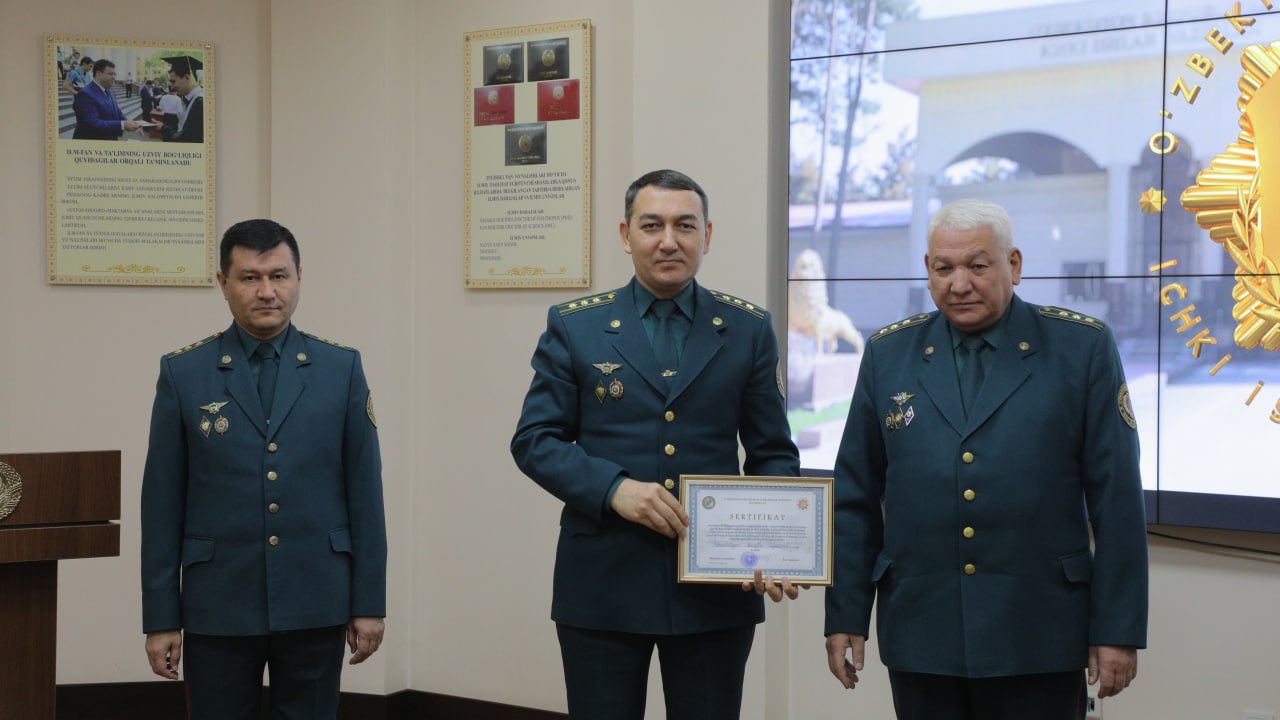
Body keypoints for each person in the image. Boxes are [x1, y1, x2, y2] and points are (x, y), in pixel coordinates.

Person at [823, 199, 1148, 719]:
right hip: (922, 632)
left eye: (977, 265)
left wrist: (1116, 629)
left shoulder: (1080, 347)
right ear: (928, 270)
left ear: (1013, 265)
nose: (959, 284)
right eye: (943, 268)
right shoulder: (889, 353)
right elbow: (855, 497)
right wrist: (846, 613)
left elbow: (1118, 499)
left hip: (1039, 631)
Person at [511, 169, 802, 720]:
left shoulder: (748, 329)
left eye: (684, 226)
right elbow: (535, 440)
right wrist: (614, 489)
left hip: (714, 591)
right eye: (652, 226)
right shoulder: (577, 327)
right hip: (602, 584)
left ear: (706, 236)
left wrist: (775, 543)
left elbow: (772, 452)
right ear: (627, 236)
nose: (669, 240)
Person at [141, 219, 387, 720]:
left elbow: (365, 494)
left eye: (279, 275)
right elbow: (162, 504)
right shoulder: (184, 373)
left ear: (299, 278)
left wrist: (368, 603)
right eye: (250, 277)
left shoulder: (340, 369)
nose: (267, 291)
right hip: (218, 602)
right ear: (223, 283)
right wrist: (161, 617)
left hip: (316, 596)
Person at [71, 59, 141, 140]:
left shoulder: (110, 90)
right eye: (110, 74)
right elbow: (92, 123)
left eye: (114, 74)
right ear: (98, 74)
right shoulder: (85, 94)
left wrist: (130, 123)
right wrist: (123, 125)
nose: (114, 77)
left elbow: (117, 111)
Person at [162, 55, 204, 143]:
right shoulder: (188, 99)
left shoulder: (200, 103)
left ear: (186, 77)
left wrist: (163, 128)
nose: (171, 87)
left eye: (173, 81)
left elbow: (186, 138)